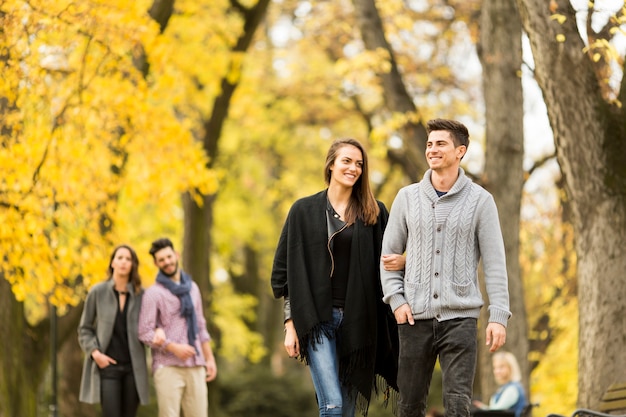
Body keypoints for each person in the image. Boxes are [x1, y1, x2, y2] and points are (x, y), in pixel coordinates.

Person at [380, 118, 511, 417]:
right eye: (429, 144)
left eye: (441, 144)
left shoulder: (481, 201)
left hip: (461, 318)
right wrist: (397, 300)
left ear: (460, 151)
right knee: (409, 406)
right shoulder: (407, 198)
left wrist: (499, 316)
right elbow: (388, 257)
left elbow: (494, 263)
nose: (432, 149)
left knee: (458, 406)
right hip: (414, 318)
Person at [271, 138, 400, 416]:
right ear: (331, 165)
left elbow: (391, 263)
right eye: (346, 161)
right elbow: (286, 275)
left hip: (359, 322)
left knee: (348, 410)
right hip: (318, 320)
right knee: (333, 404)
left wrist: (404, 261)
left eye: (359, 164)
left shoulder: (374, 214)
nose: (353, 168)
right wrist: (290, 324)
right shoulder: (302, 211)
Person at [138, 237, 217, 417]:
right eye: (161, 260)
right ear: (156, 264)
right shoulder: (153, 293)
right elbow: (144, 332)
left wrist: (209, 359)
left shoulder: (193, 289)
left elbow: (200, 325)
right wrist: (173, 347)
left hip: (196, 364)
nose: (166, 262)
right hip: (168, 366)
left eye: (168, 257)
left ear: (176, 254)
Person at [78, 244, 150, 417]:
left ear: (133, 265)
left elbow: (150, 326)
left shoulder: (142, 295)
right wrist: (96, 354)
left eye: (128, 259)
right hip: (108, 367)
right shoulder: (98, 292)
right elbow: (84, 328)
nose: (124, 262)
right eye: (120, 258)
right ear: (112, 263)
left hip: (134, 368)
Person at [473, 352, 527, 417]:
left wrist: (482, 409)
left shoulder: (512, 389)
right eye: (495, 368)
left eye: (501, 367)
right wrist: (482, 407)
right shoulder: (505, 388)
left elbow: (497, 412)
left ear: (511, 368)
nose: (497, 371)